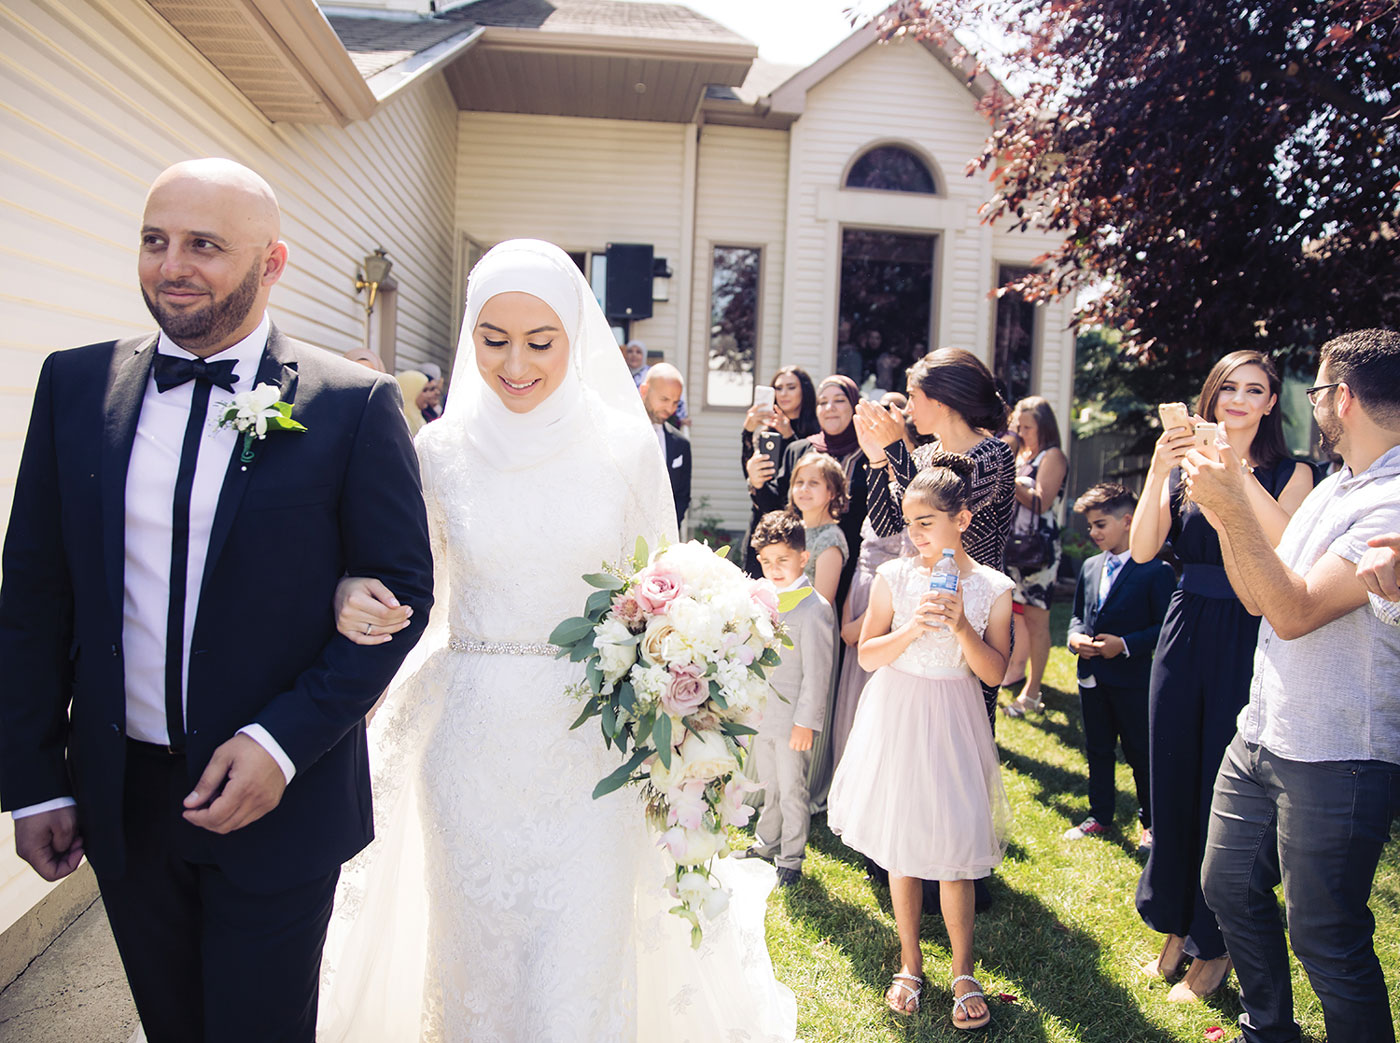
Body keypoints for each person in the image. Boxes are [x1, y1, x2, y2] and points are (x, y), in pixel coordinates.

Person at [0, 158, 434, 1043]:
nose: (172, 266)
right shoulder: (73, 386)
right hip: (122, 799)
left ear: (271, 264)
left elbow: (402, 600)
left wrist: (281, 743)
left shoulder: (351, 405)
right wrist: (34, 780)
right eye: (154, 241)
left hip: (282, 799)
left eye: (204, 245)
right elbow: (35, 596)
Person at [318, 239, 797, 1041]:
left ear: (575, 337)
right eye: (493, 339)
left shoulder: (624, 446)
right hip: (469, 745)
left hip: (591, 748)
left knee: (576, 970)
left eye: (540, 342)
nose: (516, 364)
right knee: (477, 965)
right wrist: (347, 592)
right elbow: (408, 584)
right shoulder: (437, 452)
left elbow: (662, 587)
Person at [1186, 329, 1400, 1043]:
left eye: (1317, 390)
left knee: (1326, 936)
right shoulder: (1336, 484)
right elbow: (1259, 594)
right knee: (1227, 888)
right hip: (1263, 730)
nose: (1313, 405)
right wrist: (1223, 512)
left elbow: (1295, 610)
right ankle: (1268, 1028)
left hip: (1337, 751)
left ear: (1343, 397)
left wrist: (1230, 504)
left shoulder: (1392, 498)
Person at [1130, 350, 1314, 1003]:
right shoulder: (1183, 464)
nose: (1238, 399)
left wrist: (1234, 477)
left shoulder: (1295, 473)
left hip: (1250, 628)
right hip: (1185, 627)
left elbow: (1288, 544)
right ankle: (1177, 923)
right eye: (1228, 387)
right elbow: (1143, 549)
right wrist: (1162, 469)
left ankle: (1218, 944)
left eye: (1254, 389)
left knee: (1223, 786)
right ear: (1210, 395)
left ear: (1271, 403)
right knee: (1173, 777)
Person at [827, 456, 1014, 1029]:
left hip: (954, 713)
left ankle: (962, 970)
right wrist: (912, 627)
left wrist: (960, 626)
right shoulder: (895, 576)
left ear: (963, 519)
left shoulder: (992, 588)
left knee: (955, 843)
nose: (916, 533)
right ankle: (910, 962)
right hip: (899, 710)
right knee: (902, 840)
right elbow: (867, 654)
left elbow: (994, 673)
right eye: (910, 522)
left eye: (927, 522)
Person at [855, 347, 1016, 729]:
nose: (908, 408)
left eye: (913, 396)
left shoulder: (994, 454)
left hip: (975, 605)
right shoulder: (924, 455)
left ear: (941, 401)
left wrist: (896, 450)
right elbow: (887, 524)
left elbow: (938, 508)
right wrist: (877, 459)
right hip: (920, 602)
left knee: (967, 728)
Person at [1064, 484, 1175, 848]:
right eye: (1090, 526)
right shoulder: (1090, 566)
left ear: (1127, 521)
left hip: (1132, 680)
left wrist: (1124, 645)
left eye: (1100, 525)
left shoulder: (1155, 570)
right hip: (1092, 678)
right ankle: (1100, 814)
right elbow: (1077, 616)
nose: (1093, 533)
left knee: (1140, 751)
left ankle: (1152, 821)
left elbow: (1165, 627)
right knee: (1097, 748)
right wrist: (1074, 638)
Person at [739, 512, 836, 886]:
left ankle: (791, 859)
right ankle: (766, 843)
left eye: (783, 559)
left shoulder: (815, 609)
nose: (774, 568)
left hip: (794, 721)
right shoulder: (763, 601)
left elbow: (817, 674)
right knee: (770, 786)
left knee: (793, 790)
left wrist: (805, 723)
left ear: (803, 558)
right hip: (764, 717)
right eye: (766, 561)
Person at [748, 375, 870, 608]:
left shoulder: (869, 452)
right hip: (801, 555)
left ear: (854, 406)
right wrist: (758, 483)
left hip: (853, 562)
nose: (829, 407)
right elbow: (778, 507)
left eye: (839, 400)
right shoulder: (799, 449)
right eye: (822, 402)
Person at [1001, 396, 1069, 718]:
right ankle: (1016, 669)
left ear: (1044, 426)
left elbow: (1041, 502)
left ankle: (1033, 691)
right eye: (1019, 426)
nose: (1022, 432)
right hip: (1014, 546)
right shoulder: (1021, 455)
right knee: (1017, 616)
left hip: (1039, 549)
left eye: (1028, 427)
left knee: (1037, 619)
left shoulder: (1052, 456)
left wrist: (1008, 476)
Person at [739, 366, 819, 576]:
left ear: (804, 391)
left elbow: (804, 471)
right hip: (763, 518)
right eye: (778, 388)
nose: (783, 394)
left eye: (791, 387)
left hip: (796, 525)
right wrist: (748, 431)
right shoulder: (767, 433)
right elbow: (752, 478)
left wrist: (789, 436)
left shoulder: (815, 430)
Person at [786, 451, 850, 607]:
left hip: (811, 619)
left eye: (813, 483)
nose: (804, 489)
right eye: (799, 482)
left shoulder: (830, 539)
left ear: (832, 492)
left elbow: (821, 605)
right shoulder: (791, 529)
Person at [640, 362, 690, 526]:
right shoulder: (620, 435)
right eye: (664, 399)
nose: (670, 408)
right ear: (644, 391)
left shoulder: (681, 444)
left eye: (675, 402)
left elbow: (682, 496)